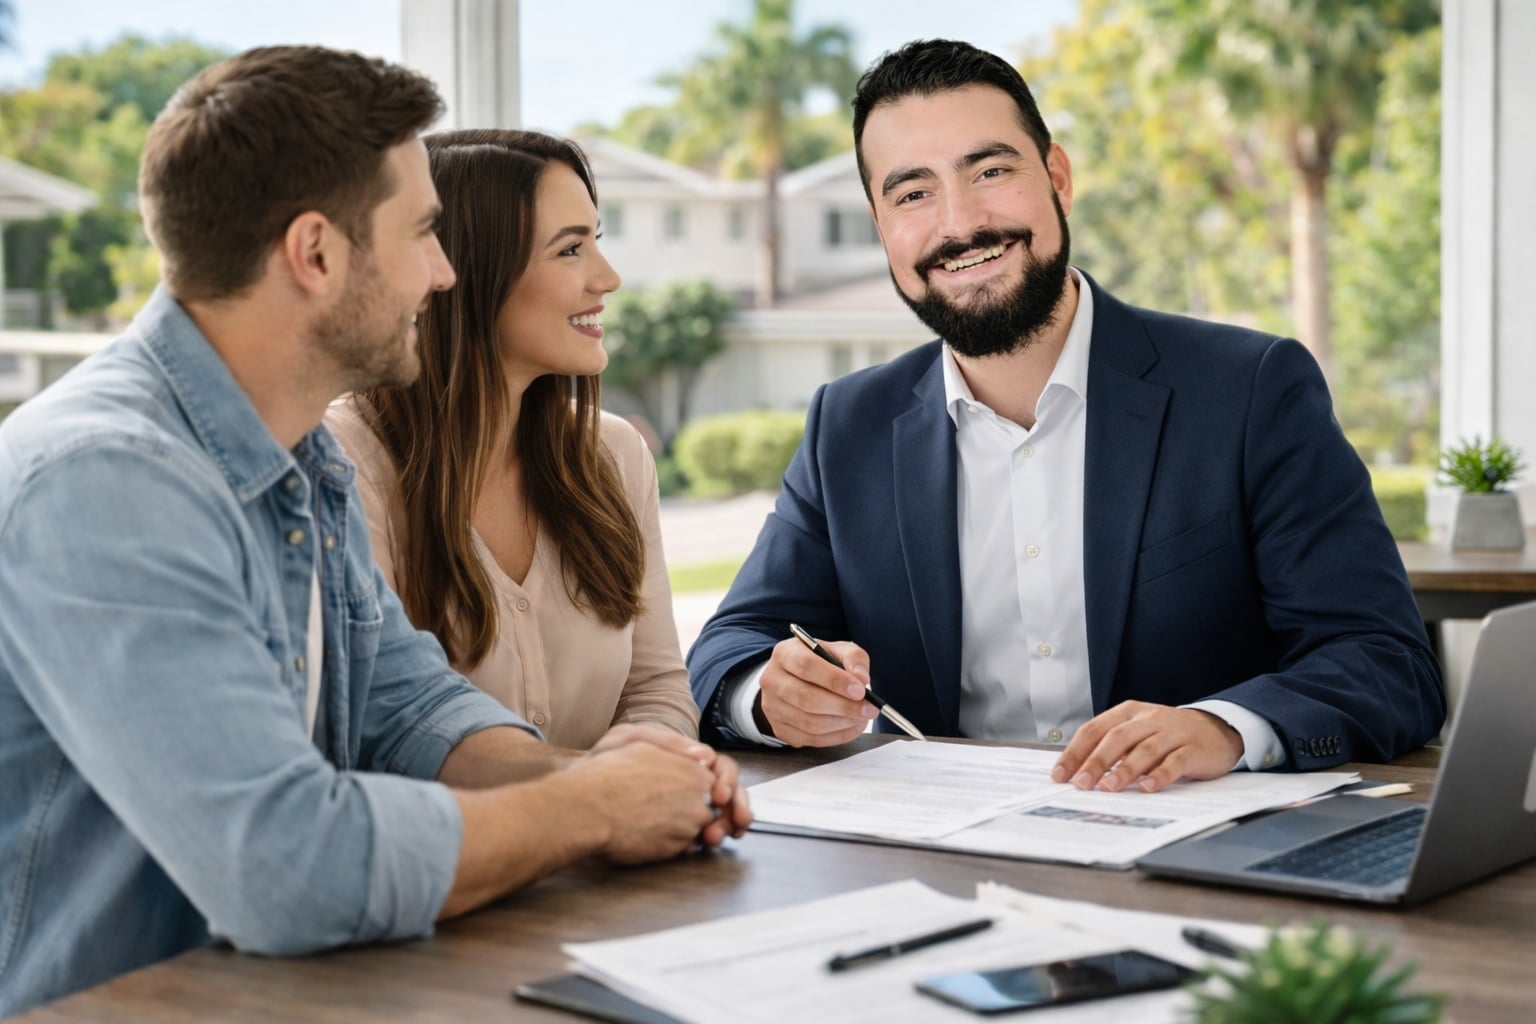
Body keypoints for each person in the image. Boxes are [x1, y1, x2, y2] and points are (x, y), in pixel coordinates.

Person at [0, 47, 748, 1017]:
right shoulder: (107, 482)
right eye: (424, 232)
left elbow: (409, 713)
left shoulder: (302, 459)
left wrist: (635, 779)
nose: (443, 275)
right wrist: (594, 806)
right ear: (316, 253)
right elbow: (289, 865)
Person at [688, 39, 1444, 792]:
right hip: (935, 853)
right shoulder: (846, 425)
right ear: (883, 225)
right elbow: (728, 647)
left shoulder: (1251, 389)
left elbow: (1385, 662)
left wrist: (1223, 728)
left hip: (1194, 850)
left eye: (990, 171)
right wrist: (767, 692)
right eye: (912, 194)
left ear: (1057, 178)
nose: (960, 224)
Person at [327, 130, 697, 749]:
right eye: (570, 250)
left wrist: (637, 763)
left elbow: (657, 687)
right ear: (467, 273)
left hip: (613, 837)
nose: (608, 278)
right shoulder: (344, 464)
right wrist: (589, 788)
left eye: (595, 241)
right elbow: (376, 728)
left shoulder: (615, 456)